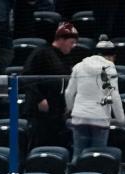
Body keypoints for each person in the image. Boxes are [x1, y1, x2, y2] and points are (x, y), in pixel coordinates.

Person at [65, 35, 125, 164]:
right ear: (111, 56)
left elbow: (69, 92)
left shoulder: (79, 66)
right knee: (96, 156)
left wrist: (70, 109)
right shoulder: (109, 67)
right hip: (100, 117)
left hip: (79, 116)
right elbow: (114, 95)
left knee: (78, 154)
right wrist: (121, 119)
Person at [22, 21, 78, 149]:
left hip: (58, 111)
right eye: (71, 42)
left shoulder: (66, 57)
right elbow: (27, 77)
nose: (73, 46)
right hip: (41, 111)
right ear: (61, 40)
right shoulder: (41, 53)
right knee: (40, 143)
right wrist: (39, 99)